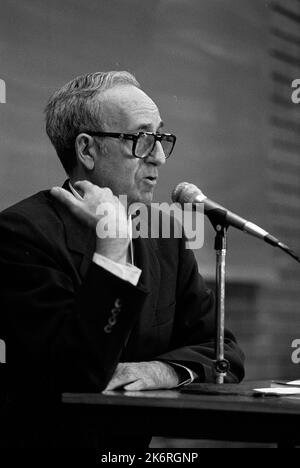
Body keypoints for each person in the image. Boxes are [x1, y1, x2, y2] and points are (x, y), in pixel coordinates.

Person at [0, 71, 244, 448]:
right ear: (87, 150)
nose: (159, 157)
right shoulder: (22, 232)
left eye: (161, 138)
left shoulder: (165, 234)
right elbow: (74, 374)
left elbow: (223, 351)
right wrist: (112, 248)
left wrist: (161, 370)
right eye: (143, 139)